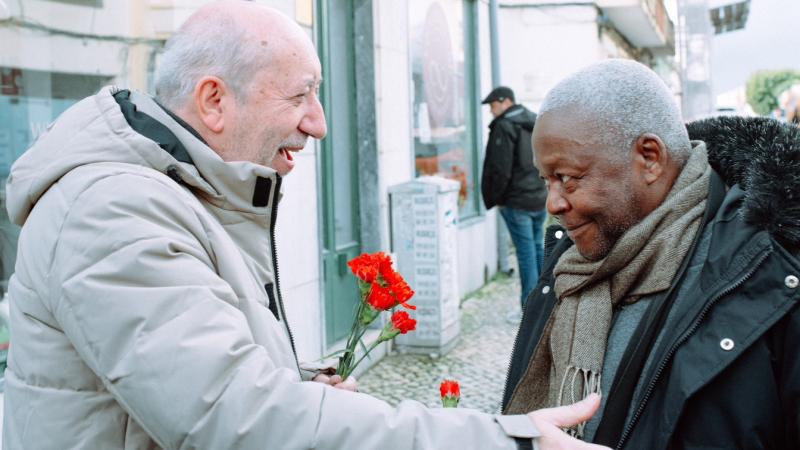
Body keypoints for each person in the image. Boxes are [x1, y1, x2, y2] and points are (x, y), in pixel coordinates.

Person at [2, 2, 609, 449]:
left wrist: (298, 384)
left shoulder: (182, 192)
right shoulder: (112, 209)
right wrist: (504, 442)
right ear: (214, 100)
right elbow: (237, 417)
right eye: (301, 96)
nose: (318, 123)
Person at [502, 59, 800, 449]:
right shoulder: (570, 261)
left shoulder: (771, 271)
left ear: (649, 158)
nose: (552, 203)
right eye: (546, 180)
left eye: (567, 178)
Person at [481, 86, 548, 309]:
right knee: (538, 249)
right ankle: (543, 303)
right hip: (539, 198)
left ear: (505, 102)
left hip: (517, 202)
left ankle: (530, 308)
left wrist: (496, 198)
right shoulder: (534, 121)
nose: (491, 111)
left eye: (493, 105)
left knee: (526, 254)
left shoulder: (505, 126)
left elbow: (500, 169)